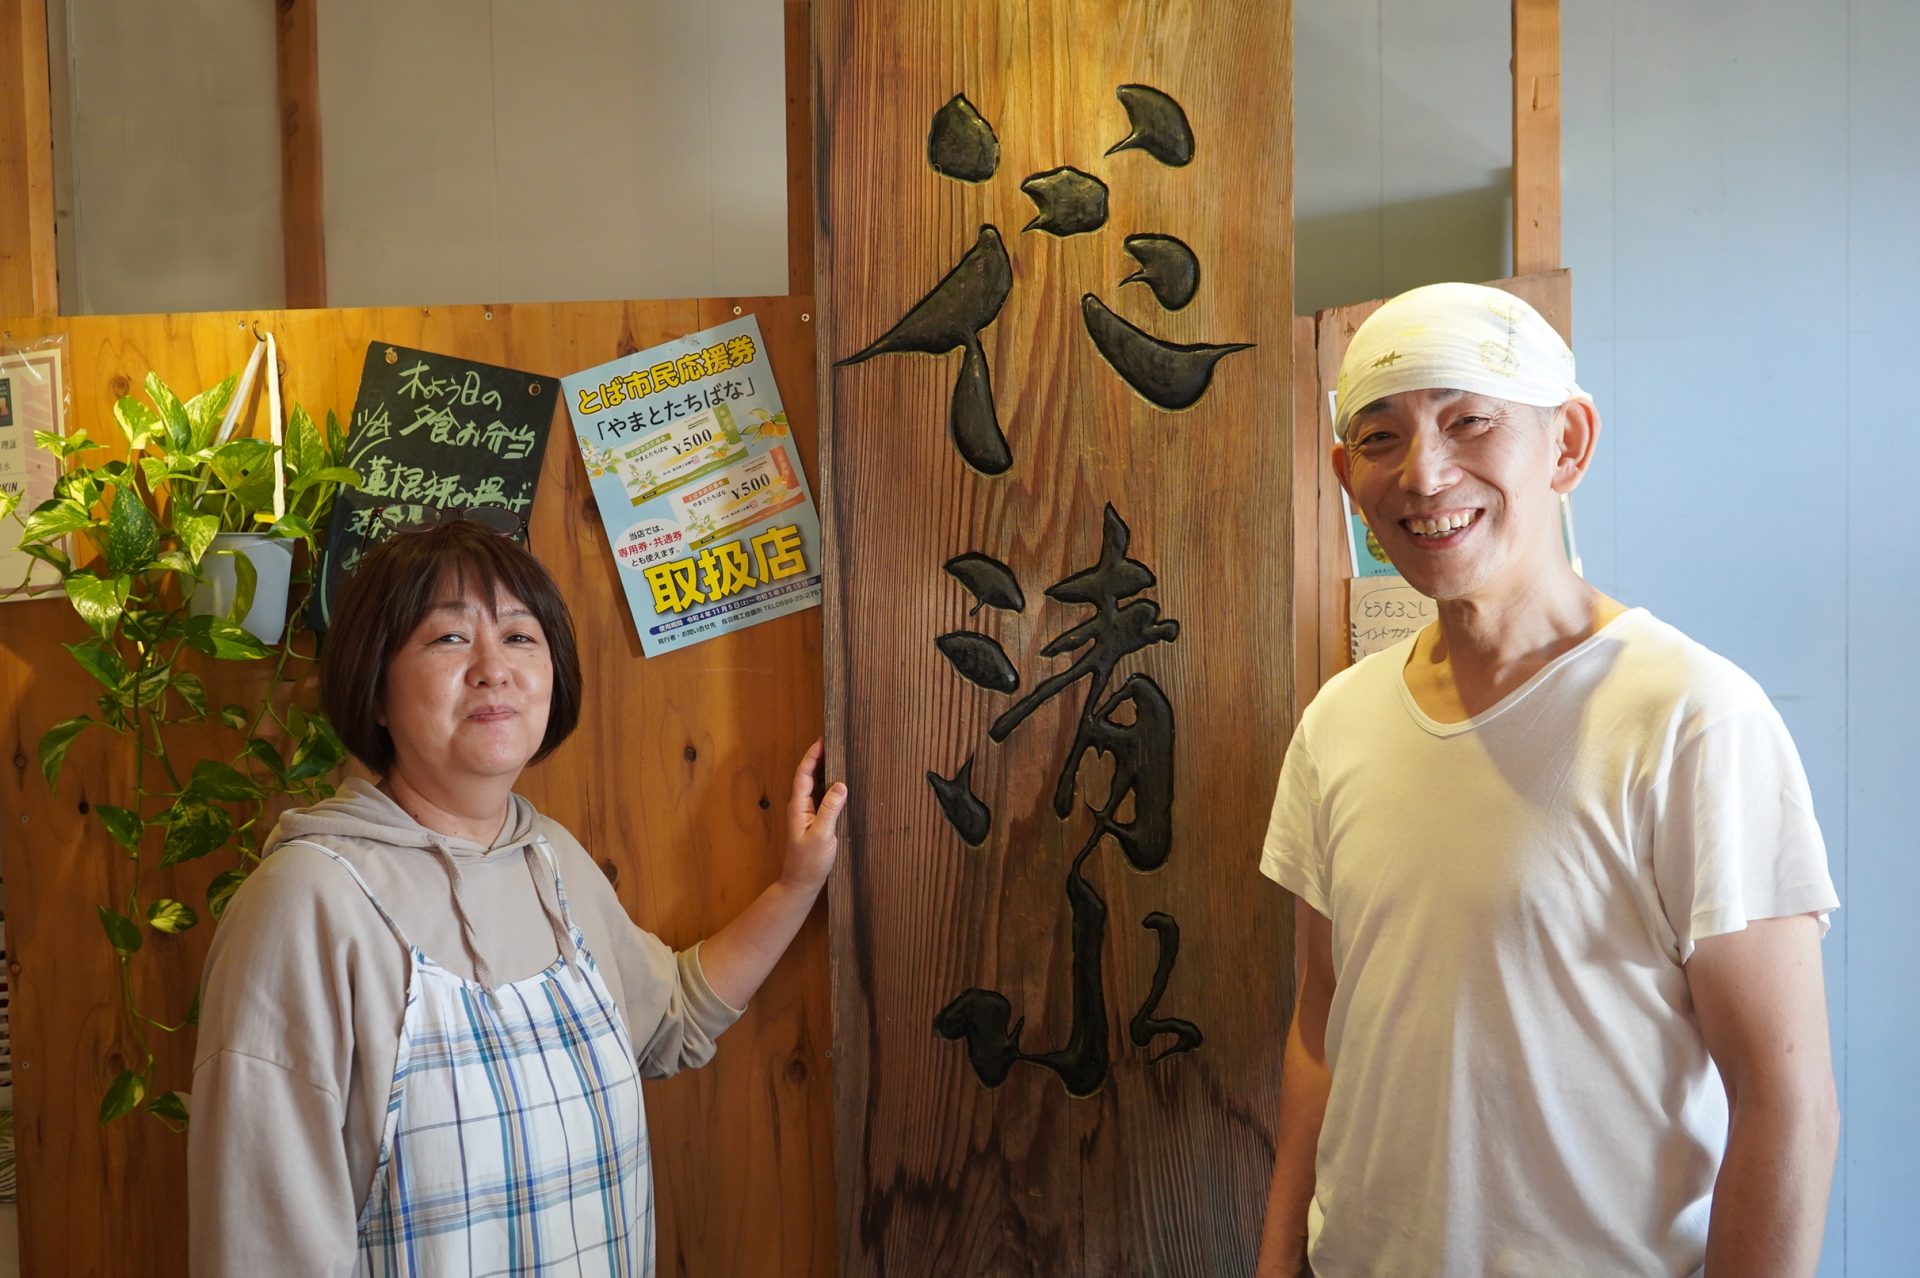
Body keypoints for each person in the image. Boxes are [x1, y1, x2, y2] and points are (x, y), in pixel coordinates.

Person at [1254, 283, 1839, 1278]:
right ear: (1348, 477)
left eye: (1470, 422)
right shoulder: (1337, 722)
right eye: (1382, 438)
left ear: (1567, 443)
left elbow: (1786, 1103)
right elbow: (1321, 1025)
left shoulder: (1690, 716)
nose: (1426, 474)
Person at [187, 516, 846, 1276]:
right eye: (448, 639)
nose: (493, 668)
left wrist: (798, 885)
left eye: (520, 636)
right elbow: (264, 1252)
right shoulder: (305, 904)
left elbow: (670, 1020)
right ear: (374, 690)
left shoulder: (550, 861)